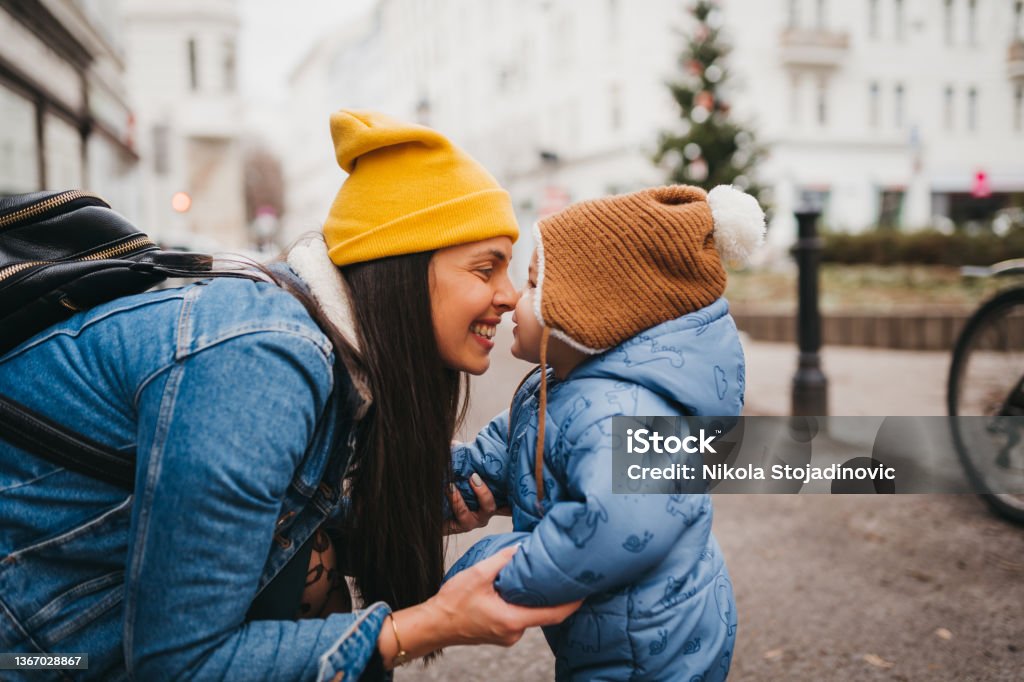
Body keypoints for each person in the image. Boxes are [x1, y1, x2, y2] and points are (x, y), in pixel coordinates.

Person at [0, 109, 579, 681]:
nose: (509, 296)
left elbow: (262, 521)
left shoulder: (327, 356)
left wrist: (408, 510)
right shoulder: (265, 359)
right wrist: (430, 623)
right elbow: (178, 662)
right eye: (487, 269)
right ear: (404, 270)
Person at [445, 184, 765, 680]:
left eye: (533, 287)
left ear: (586, 313)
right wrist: (441, 476)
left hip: (652, 651)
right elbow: (498, 457)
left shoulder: (624, 415)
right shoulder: (556, 390)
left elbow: (613, 527)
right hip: (602, 635)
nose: (512, 302)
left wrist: (492, 566)